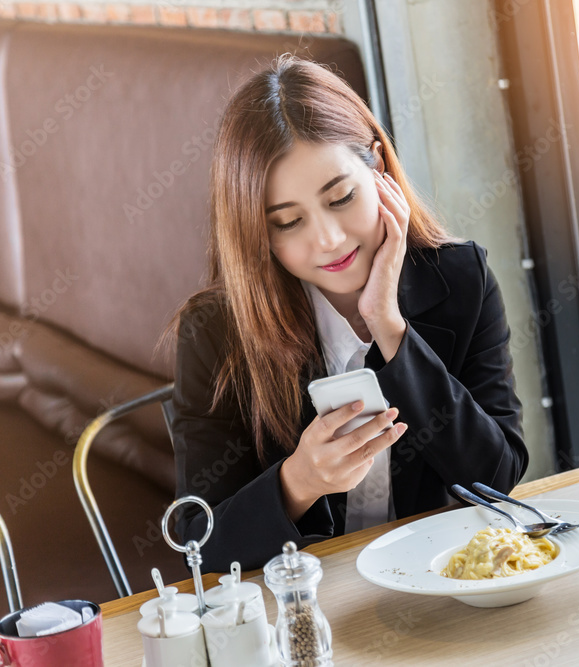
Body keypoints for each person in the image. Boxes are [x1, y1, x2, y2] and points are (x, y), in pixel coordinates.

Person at [158, 53, 527, 572]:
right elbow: (201, 543)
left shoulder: (461, 281)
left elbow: (498, 476)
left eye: (341, 197)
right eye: (288, 222)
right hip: (304, 608)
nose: (328, 240)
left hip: (436, 586)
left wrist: (391, 328)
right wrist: (301, 480)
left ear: (377, 166)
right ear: (257, 234)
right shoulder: (216, 330)